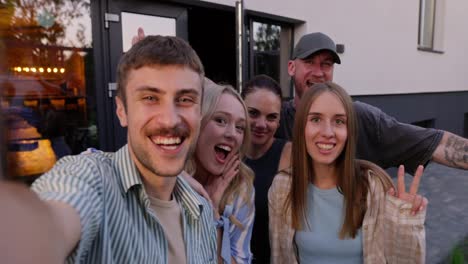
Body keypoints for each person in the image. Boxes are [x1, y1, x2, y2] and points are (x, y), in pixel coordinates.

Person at [28, 35, 217, 263]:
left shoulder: (201, 210)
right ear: (121, 111)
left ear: (199, 112)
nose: (169, 120)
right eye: (150, 98)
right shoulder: (92, 179)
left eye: (185, 99)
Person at [269, 82, 428, 264]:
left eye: (338, 121)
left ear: (349, 131)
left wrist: (405, 225)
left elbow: (401, 259)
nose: (328, 132)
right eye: (315, 119)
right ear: (301, 129)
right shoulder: (282, 187)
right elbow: (280, 257)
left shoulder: (373, 187)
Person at [276, 32, 468, 174]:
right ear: (292, 67)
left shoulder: (359, 118)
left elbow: (434, 143)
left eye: (326, 64)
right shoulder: (274, 120)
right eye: (309, 62)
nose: (319, 72)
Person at [185, 79, 255, 264]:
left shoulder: (241, 187)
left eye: (240, 127)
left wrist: (213, 211)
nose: (232, 133)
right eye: (220, 120)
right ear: (197, 123)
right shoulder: (168, 177)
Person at [241, 75, 291, 264]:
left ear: (279, 121)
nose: (261, 124)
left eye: (271, 117)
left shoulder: (290, 155)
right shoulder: (223, 153)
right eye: (253, 113)